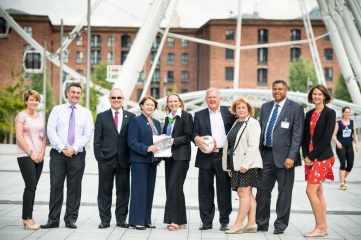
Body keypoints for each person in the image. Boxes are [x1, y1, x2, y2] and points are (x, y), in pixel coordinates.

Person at [41, 83, 94, 229]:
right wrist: (62, 147)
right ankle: (53, 219)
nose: (76, 95)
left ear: (81, 95)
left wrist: (74, 148)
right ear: (67, 93)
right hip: (58, 154)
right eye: (73, 92)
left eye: (78, 92)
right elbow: (51, 130)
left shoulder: (86, 112)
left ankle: (70, 219)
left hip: (77, 155)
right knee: (56, 186)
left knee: (74, 187)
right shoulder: (57, 110)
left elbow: (88, 133)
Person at [256, 79, 304, 234]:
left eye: (280, 89)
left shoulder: (295, 108)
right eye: (274, 89)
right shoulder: (265, 107)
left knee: (284, 192)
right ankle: (261, 223)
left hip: (285, 158)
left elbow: (297, 135)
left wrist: (292, 157)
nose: (277, 91)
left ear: (286, 90)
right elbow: (261, 130)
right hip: (266, 155)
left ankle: (280, 225)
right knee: (262, 191)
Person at [193, 88, 236, 231]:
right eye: (209, 97)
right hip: (205, 156)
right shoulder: (199, 115)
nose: (212, 99)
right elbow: (194, 132)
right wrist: (197, 138)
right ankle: (206, 221)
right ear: (206, 100)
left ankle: (224, 220)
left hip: (223, 156)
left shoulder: (229, 112)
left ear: (220, 98)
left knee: (224, 189)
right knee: (205, 190)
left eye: (214, 97)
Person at [93, 88, 135, 229]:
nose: (116, 100)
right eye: (113, 98)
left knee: (123, 191)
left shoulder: (131, 116)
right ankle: (105, 220)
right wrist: (99, 156)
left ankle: (121, 219)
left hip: (124, 160)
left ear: (123, 99)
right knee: (104, 190)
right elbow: (97, 139)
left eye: (119, 97)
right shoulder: (102, 116)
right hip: (106, 159)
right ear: (109, 99)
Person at [222, 97, 263, 234]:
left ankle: (238, 224)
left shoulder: (253, 123)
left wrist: (245, 164)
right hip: (237, 164)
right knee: (248, 194)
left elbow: (253, 145)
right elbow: (231, 147)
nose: (241, 110)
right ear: (235, 110)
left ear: (248, 109)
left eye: (243, 108)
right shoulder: (236, 123)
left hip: (248, 164)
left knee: (242, 193)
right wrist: (229, 166)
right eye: (238, 108)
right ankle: (251, 223)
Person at [302, 84, 335, 237]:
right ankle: (325, 228)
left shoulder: (330, 113)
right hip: (310, 158)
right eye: (314, 94)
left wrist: (311, 156)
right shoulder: (308, 114)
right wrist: (305, 156)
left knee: (310, 191)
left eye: (319, 94)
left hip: (322, 157)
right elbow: (304, 137)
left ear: (325, 96)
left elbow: (326, 138)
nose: (316, 97)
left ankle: (319, 227)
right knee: (319, 192)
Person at [127, 96, 161, 230]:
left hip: (153, 161)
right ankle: (137, 220)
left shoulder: (157, 123)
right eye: (147, 104)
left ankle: (146, 220)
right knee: (139, 191)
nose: (150, 107)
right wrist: (146, 148)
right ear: (141, 106)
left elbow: (159, 140)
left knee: (149, 191)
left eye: (152, 105)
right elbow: (132, 141)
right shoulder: (136, 121)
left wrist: (164, 148)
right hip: (139, 161)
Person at [15, 90, 46, 230]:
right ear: (26, 101)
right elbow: (19, 137)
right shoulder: (21, 116)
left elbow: (43, 136)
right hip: (25, 156)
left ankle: (29, 217)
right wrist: (31, 153)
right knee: (30, 186)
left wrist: (42, 153)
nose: (34, 102)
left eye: (36, 100)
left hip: (39, 156)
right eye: (31, 100)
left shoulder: (40, 116)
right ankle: (26, 218)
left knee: (33, 187)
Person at [162, 93, 193, 231]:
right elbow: (166, 136)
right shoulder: (168, 118)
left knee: (173, 186)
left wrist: (174, 140)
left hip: (181, 156)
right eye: (170, 101)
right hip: (169, 156)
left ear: (180, 102)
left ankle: (173, 220)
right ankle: (181, 220)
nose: (173, 103)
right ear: (168, 104)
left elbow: (188, 136)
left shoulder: (186, 116)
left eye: (175, 101)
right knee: (174, 187)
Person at [332, 106, 359, 190]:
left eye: (349, 112)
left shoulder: (352, 122)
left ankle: (342, 179)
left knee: (350, 165)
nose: (348, 114)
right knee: (343, 164)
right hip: (340, 145)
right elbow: (333, 135)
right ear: (343, 113)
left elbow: (354, 134)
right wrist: (337, 142)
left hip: (349, 145)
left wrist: (357, 144)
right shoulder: (338, 123)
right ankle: (342, 183)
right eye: (346, 112)